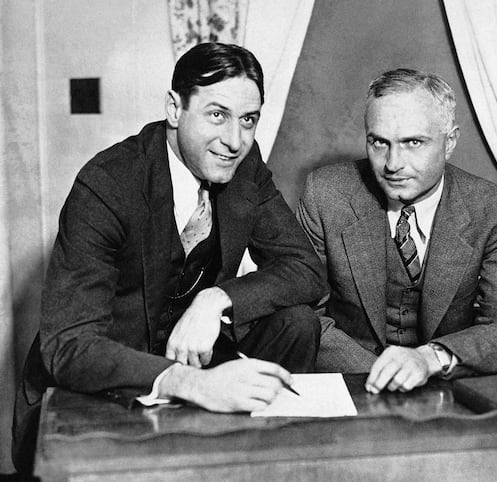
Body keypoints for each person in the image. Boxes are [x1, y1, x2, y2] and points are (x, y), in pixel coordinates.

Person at [13, 42, 327, 472]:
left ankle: (260, 464)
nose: (234, 140)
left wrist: (215, 301)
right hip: (103, 380)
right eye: (217, 114)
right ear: (175, 109)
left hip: (193, 357)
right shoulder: (107, 185)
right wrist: (190, 383)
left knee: (296, 322)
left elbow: (306, 269)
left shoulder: (242, 163)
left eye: (248, 120)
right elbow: (68, 346)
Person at [297, 68, 497, 394]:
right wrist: (385, 375)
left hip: (445, 391)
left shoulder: (492, 209)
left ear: (449, 142)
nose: (393, 163)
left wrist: (427, 360)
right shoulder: (325, 194)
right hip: (350, 387)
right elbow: (302, 318)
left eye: (413, 142)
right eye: (379, 142)